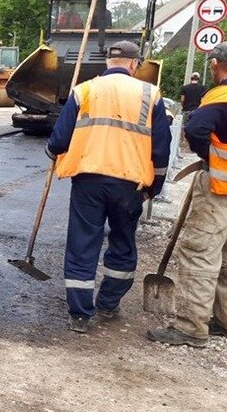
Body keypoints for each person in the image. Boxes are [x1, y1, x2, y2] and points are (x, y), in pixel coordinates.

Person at [45, 40, 171, 334]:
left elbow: (60, 138)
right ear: (134, 63)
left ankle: (79, 314)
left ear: (108, 63)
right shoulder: (150, 94)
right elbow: (161, 150)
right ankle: (108, 302)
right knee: (123, 242)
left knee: (82, 243)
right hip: (129, 182)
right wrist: (156, 186)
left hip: (88, 179)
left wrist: (52, 151)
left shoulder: (85, 90)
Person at [148, 42, 227, 348]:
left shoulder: (219, 97)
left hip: (219, 189)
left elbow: (196, 130)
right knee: (224, 257)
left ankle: (192, 327)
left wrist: (211, 157)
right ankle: (222, 319)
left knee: (200, 253)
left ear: (216, 65)